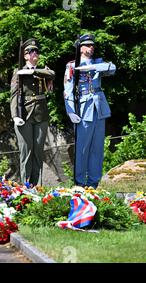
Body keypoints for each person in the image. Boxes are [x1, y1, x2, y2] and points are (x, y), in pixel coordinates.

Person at [63, 34, 116, 188]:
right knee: (82, 148)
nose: (91, 47)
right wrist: (70, 111)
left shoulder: (98, 63)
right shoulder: (72, 66)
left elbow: (112, 68)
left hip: (99, 109)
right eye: (87, 45)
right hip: (83, 110)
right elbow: (68, 91)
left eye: (92, 45)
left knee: (97, 148)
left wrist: (92, 67)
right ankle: (79, 183)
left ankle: (93, 183)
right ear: (80, 48)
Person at [10, 38, 55, 186]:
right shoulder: (18, 72)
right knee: (26, 152)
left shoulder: (42, 71)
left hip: (41, 115)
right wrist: (15, 116)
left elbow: (52, 74)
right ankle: (25, 184)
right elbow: (14, 96)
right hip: (25, 115)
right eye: (31, 51)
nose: (35, 53)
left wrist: (35, 71)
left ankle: (36, 185)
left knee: (38, 152)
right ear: (25, 56)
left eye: (36, 51)